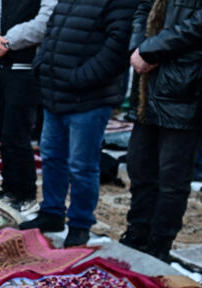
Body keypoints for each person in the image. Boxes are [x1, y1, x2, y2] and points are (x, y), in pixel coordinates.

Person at [119, 0, 202, 262]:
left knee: (172, 178)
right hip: (148, 84)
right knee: (139, 167)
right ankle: (136, 234)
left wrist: (151, 50)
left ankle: (159, 245)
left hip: (187, 85)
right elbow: (142, 9)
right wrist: (138, 47)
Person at [21, 0, 135, 247]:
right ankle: (51, 213)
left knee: (82, 165)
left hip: (89, 97)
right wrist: (42, 65)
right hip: (56, 92)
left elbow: (117, 47)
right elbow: (53, 28)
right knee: (52, 156)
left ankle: (80, 224)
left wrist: (82, 77)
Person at [0, 0, 56, 213]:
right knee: (2, 133)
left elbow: (43, 24)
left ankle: (26, 192)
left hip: (24, 71)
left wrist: (7, 41)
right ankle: (9, 187)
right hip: (1, 68)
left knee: (18, 134)